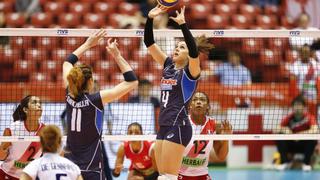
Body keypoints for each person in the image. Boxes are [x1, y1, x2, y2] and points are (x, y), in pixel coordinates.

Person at [143, 5, 214, 179]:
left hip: (179, 125)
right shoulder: (168, 66)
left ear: (189, 53)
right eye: (176, 46)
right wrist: (150, 18)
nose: (176, 48)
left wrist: (183, 24)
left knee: (168, 176)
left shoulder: (191, 73)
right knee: (162, 175)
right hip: (164, 125)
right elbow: (149, 43)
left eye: (181, 47)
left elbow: (194, 52)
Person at [62, 29, 138, 180]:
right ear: (90, 82)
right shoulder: (97, 99)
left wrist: (87, 44)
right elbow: (132, 81)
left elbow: (67, 62)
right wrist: (117, 55)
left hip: (70, 164)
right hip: (91, 166)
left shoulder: (68, 93)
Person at [178, 92, 232, 180]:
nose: (198, 102)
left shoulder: (215, 125)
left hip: (202, 175)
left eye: (202, 100)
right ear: (190, 105)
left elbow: (221, 157)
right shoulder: (181, 123)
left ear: (207, 106)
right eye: (195, 100)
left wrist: (226, 138)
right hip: (180, 174)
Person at [0, 95, 45, 180]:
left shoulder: (45, 132)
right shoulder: (13, 129)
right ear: (25, 110)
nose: (39, 105)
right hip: (8, 174)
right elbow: (1, 157)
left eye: (40, 103)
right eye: (34, 103)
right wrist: (3, 150)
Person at [275, 94, 319, 170]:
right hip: (292, 144)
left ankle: (306, 164)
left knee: (313, 138)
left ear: (304, 107)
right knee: (279, 136)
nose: (297, 107)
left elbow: (315, 129)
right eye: (295, 105)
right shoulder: (289, 117)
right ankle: (284, 162)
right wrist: (286, 130)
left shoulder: (309, 117)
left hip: (303, 144)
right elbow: (276, 129)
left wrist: (301, 134)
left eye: (299, 105)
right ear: (292, 107)